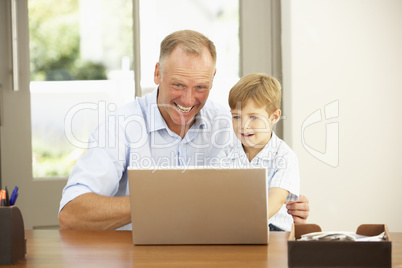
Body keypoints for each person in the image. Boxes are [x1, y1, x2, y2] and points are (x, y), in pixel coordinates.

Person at [58, 30, 309, 230]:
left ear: (213, 78)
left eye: (201, 87)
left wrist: (286, 205)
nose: (188, 100)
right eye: (178, 84)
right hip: (136, 257)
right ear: (158, 73)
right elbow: (71, 213)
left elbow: (259, 179)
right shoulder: (122, 125)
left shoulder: (230, 123)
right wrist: (159, 200)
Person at [218, 73, 299, 231]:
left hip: (273, 228)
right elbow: (217, 197)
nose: (243, 125)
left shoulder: (284, 156)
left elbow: (274, 201)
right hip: (233, 227)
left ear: (274, 117)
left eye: (253, 117)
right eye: (236, 117)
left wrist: (243, 224)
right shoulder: (225, 154)